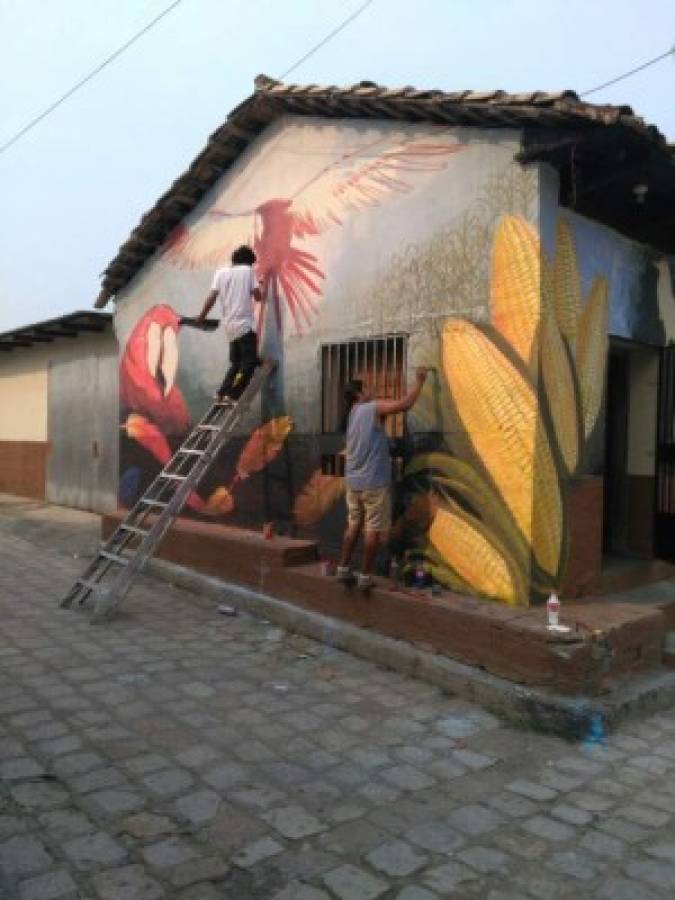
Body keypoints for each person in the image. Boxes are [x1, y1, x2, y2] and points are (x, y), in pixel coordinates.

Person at [336, 367, 428, 591]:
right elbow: (405, 405)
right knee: (372, 529)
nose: (371, 391)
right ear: (359, 394)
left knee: (353, 525)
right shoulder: (371, 408)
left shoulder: (350, 416)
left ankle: (343, 568)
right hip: (373, 484)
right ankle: (365, 577)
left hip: (353, 482)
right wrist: (419, 382)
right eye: (367, 389)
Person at [196, 245, 263, 404]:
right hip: (244, 325)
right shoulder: (248, 271)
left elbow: (211, 297)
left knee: (236, 363)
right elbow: (258, 297)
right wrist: (259, 285)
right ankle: (233, 395)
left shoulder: (221, 273)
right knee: (250, 363)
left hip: (229, 326)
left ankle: (221, 393)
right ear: (248, 262)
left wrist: (202, 316)